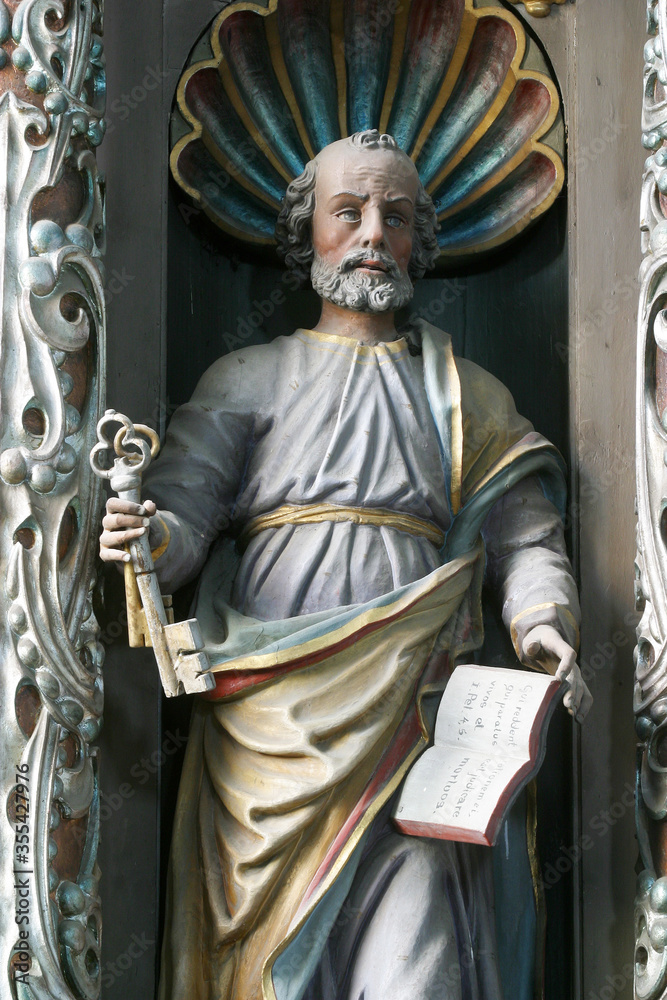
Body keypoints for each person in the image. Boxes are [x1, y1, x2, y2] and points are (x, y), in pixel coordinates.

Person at [100, 130, 591, 1000]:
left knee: (420, 968)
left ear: (417, 242)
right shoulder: (249, 376)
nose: (373, 232)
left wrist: (542, 624)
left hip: (415, 719)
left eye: (395, 217)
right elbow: (181, 523)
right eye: (349, 211)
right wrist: (147, 539)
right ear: (308, 233)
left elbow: (524, 537)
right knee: (277, 974)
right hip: (271, 727)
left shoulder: (464, 391)